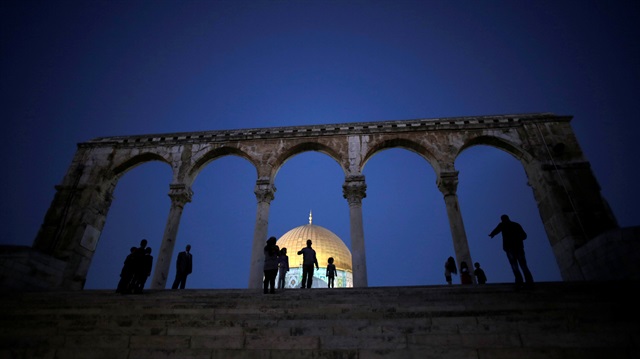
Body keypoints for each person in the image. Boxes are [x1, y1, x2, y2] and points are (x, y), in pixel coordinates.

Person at [489, 214, 534, 289]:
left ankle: (522, 281)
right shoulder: (515, 224)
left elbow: (524, 235)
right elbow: (524, 235)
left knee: (516, 265)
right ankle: (527, 281)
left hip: (512, 247)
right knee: (520, 265)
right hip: (515, 247)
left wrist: (492, 234)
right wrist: (492, 234)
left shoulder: (506, 225)